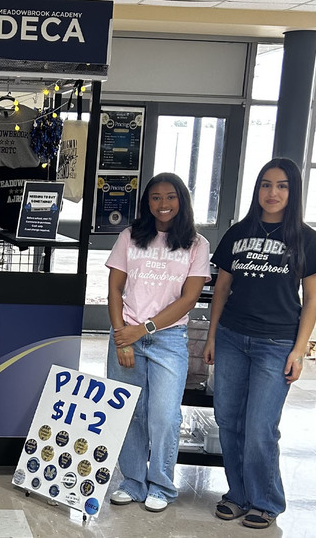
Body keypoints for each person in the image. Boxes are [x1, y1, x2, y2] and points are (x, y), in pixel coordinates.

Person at [204, 157, 316, 529]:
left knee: (260, 427)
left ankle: (266, 501)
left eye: (282, 186)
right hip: (231, 338)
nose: (273, 193)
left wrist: (299, 351)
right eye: (266, 185)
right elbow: (221, 289)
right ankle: (238, 494)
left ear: (293, 192)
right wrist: (212, 336)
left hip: (276, 343)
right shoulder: (237, 233)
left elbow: (311, 300)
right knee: (228, 420)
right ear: (257, 189)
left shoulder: (306, 239)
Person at [105, 173, 211, 513]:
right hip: (126, 335)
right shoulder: (130, 237)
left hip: (168, 338)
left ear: (182, 200)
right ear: (146, 202)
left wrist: (144, 329)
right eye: (155, 197)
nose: (163, 204)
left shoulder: (197, 244)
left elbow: (189, 299)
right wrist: (122, 336)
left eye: (170, 197)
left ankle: (162, 485)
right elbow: (114, 289)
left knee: (164, 416)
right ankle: (133, 482)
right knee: (130, 411)